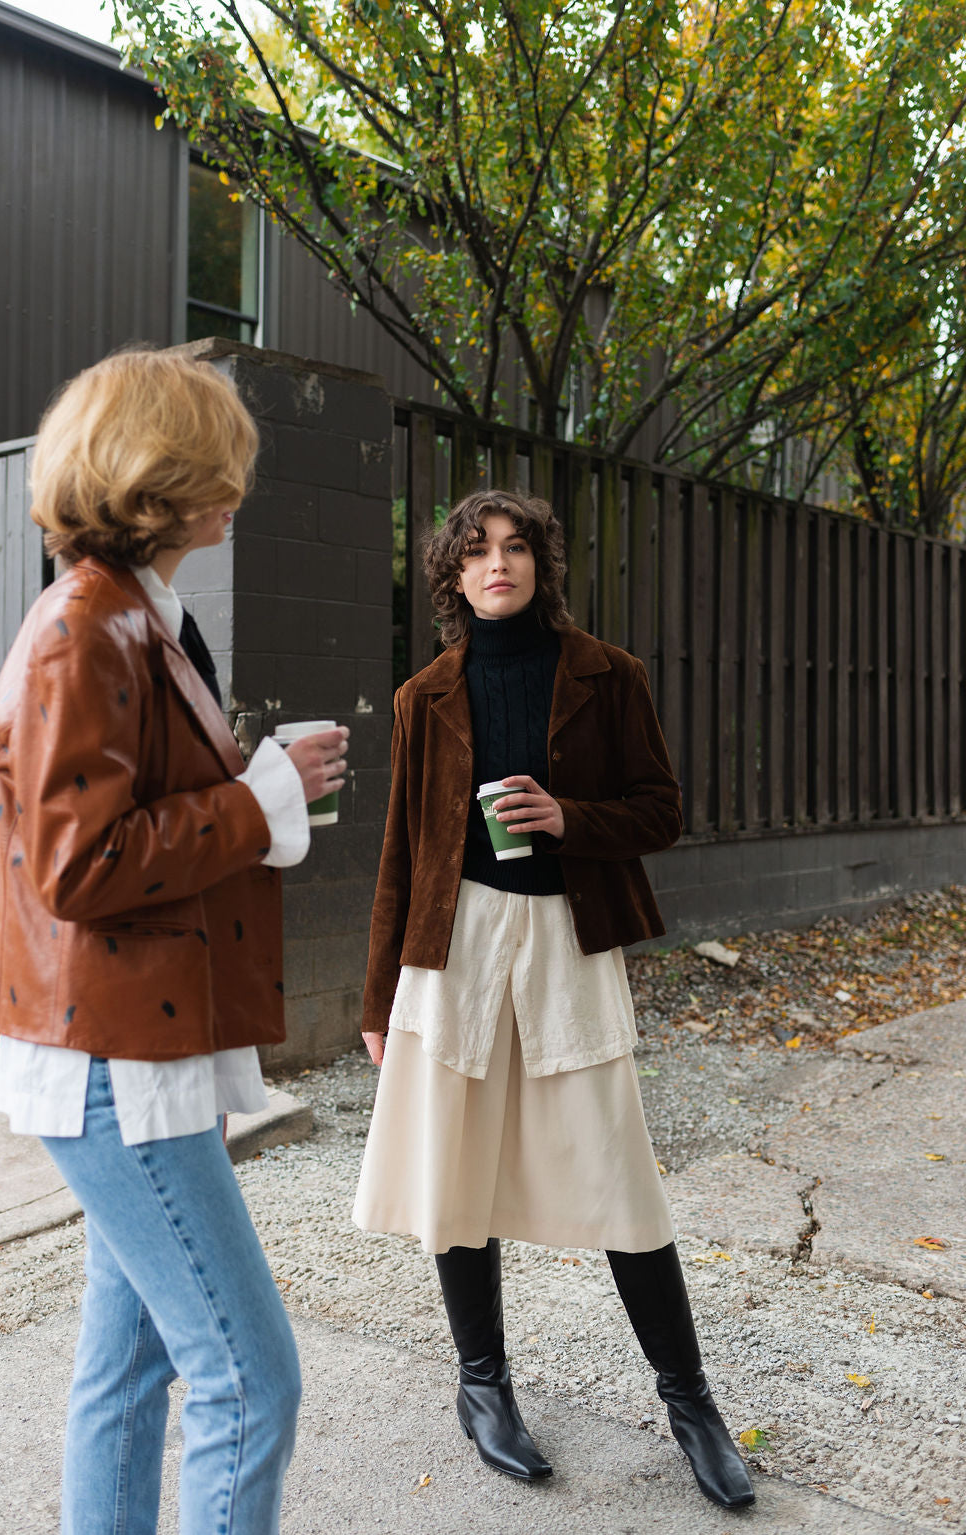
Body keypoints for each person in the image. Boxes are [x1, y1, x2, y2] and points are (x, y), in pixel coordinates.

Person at [0, 348, 348, 1535]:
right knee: (249, 1378)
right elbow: (83, 866)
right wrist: (262, 793)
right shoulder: (87, 628)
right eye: (216, 463)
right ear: (157, 479)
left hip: (127, 1048)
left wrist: (254, 784)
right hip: (112, 1064)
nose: (238, 482)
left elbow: (112, 825)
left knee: (130, 1373)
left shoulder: (132, 617)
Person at [353, 488, 753, 1510]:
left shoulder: (606, 676)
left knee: (617, 1168)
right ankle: (482, 1386)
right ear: (450, 574)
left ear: (541, 563)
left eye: (516, 546)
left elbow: (660, 809)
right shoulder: (421, 696)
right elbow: (399, 852)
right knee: (456, 1166)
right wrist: (375, 994)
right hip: (453, 948)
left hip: (567, 941)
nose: (499, 563)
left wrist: (567, 815)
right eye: (478, 550)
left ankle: (691, 1402)